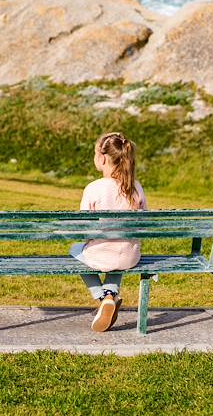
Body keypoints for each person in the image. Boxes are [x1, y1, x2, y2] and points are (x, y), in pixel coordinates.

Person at [69, 132, 147, 333]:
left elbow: (84, 228)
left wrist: (88, 240)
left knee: (75, 251)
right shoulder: (135, 187)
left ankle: (103, 297)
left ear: (102, 158)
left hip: (102, 255)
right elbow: (143, 222)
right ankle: (111, 291)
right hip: (130, 256)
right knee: (119, 250)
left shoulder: (95, 188)